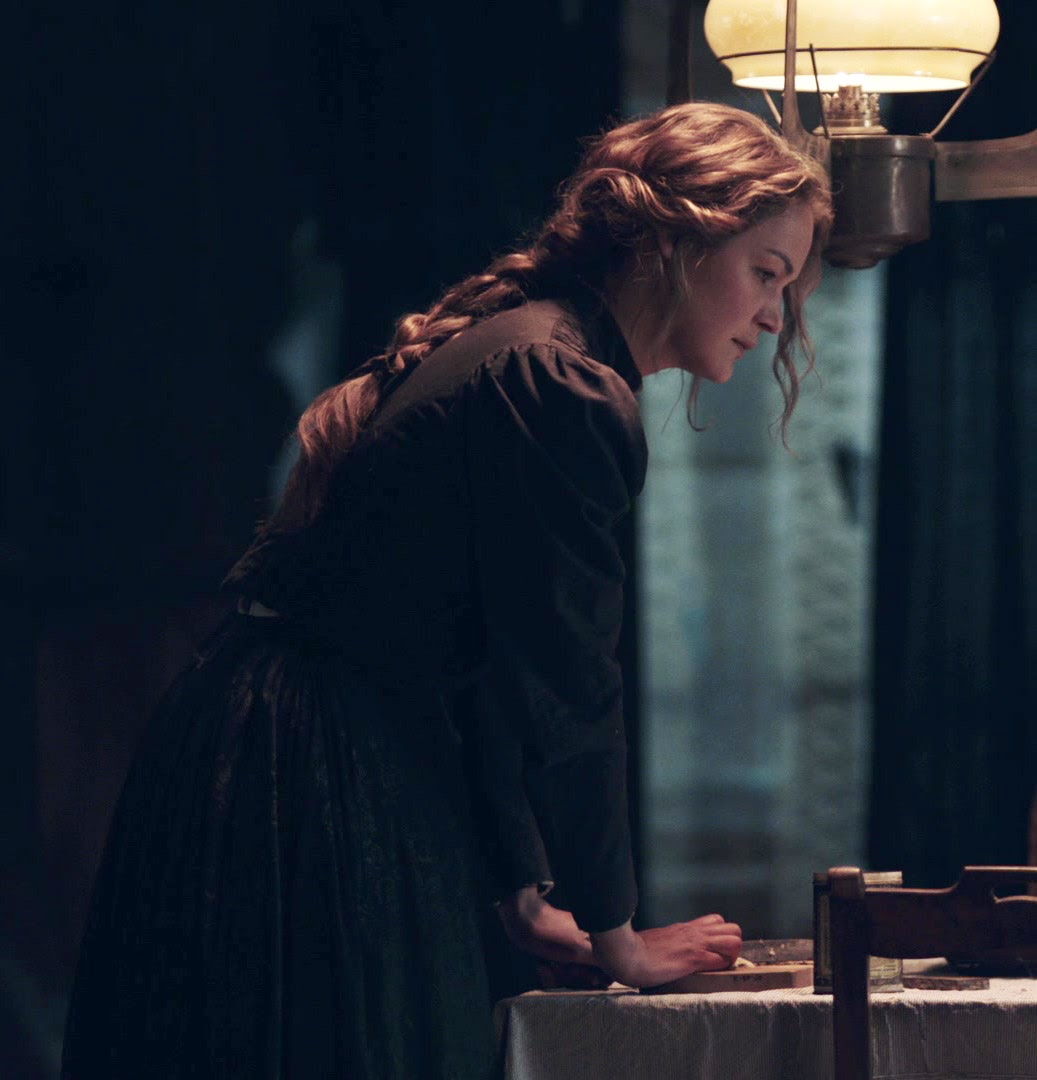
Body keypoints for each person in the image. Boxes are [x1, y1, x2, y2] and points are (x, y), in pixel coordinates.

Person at [61, 101, 833, 1079]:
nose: (774, 317)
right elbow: (562, 683)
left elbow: (487, 665)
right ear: (675, 242)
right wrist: (617, 935)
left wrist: (522, 891)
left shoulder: (541, 355)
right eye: (765, 273)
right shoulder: (559, 382)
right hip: (316, 770)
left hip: (301, 741)